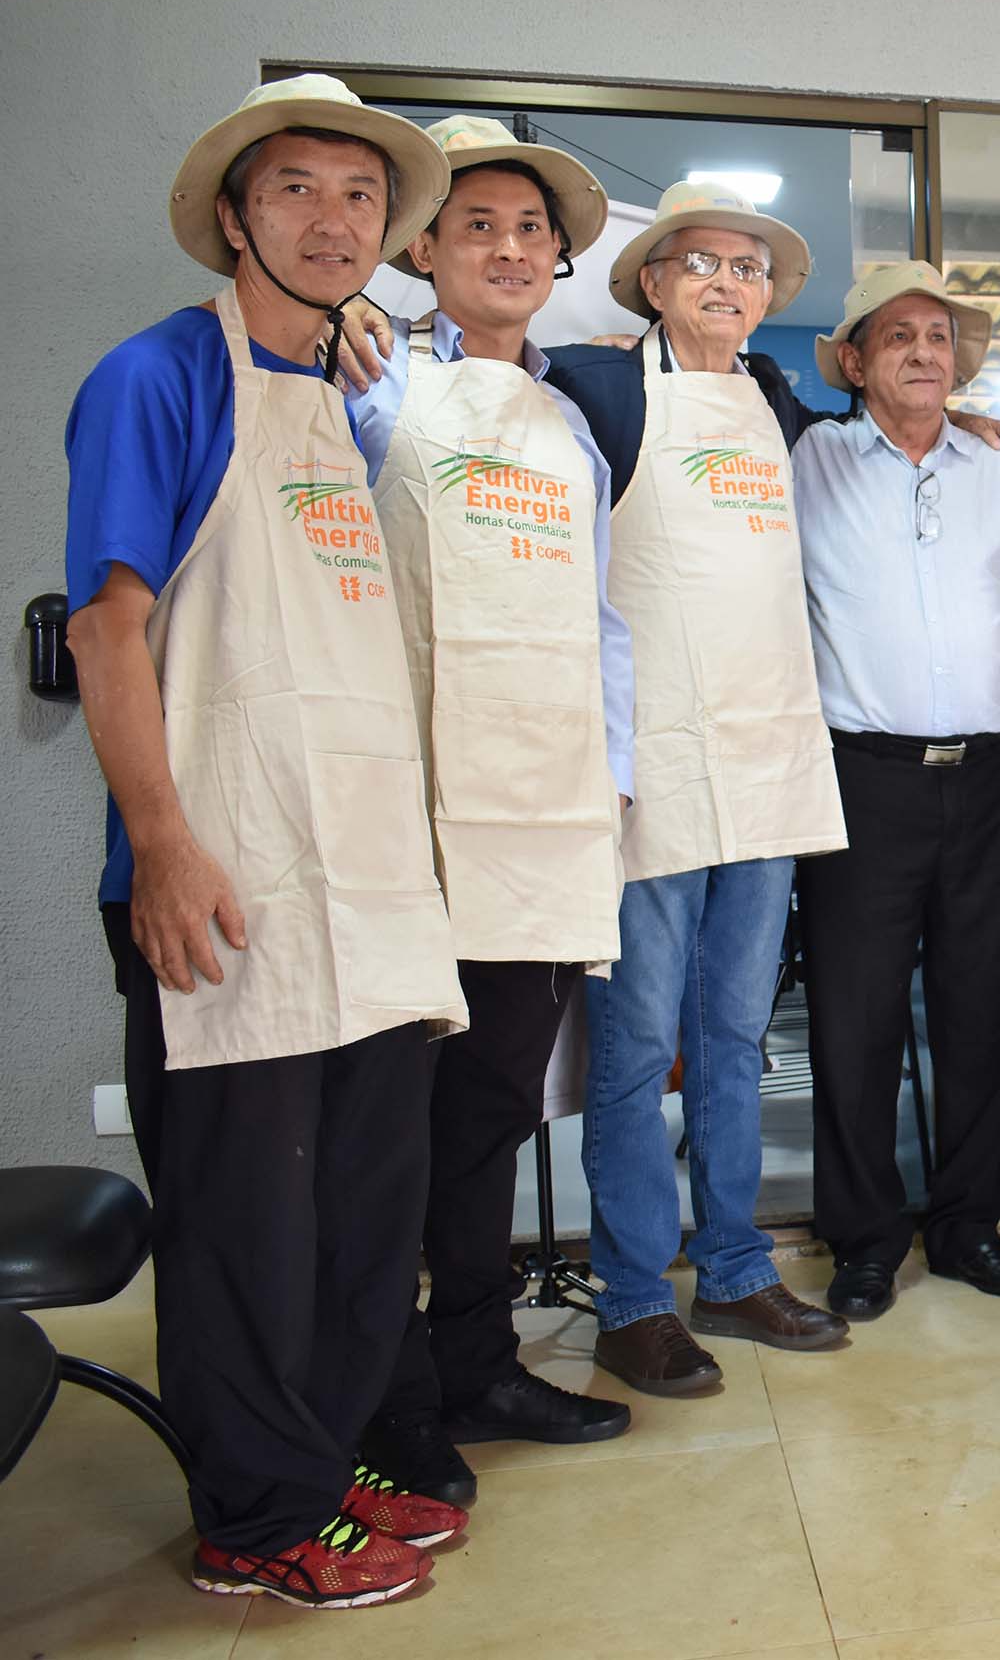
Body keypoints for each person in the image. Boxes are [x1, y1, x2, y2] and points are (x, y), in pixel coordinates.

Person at [62, 74, 467, 1608]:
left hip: (357, 869)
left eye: (359, 196)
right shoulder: (156, 378)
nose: (332, 219)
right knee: (246, 1219)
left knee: (362, 1200)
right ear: (234, 216)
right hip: (220, 871)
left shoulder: (341, 401)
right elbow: (114, 634)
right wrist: (160, 845)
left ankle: (326, 1451)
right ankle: (253, 1513)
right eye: (295, 189)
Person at [340, 115, 635, 1504]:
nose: (510, 249)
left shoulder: (575, 423)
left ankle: (478, 1362)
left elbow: (597, 618)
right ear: (420, 249)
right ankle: (386, 1392)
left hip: (543, 805)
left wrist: (613, 774)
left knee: (498, 1105)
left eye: (531, 232)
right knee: (395, 1114)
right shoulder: (371, 379)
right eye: (478, 227)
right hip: (410, 803)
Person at [544, 180, 853, 1396]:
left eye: (749, 267)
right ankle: (630, 1295)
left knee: (734, 1038)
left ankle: (732, 1267)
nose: (730, 283)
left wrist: (977, 427)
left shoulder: (777, 402)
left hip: (769, 759)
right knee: (632, 1049)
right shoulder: (601, 389)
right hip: (654, 764)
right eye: (702, 264)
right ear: (655, 284)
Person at [796, 262, 1000, 1320]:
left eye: (939, 336)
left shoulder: (997, 468)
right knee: (853, 1018)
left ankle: (968, 1227)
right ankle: (864, 1238)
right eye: (896, 335)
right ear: (854, 360)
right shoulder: (805, 457)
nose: (921, 351)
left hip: (991, 776)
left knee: (988, 1012)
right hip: (860, 776)